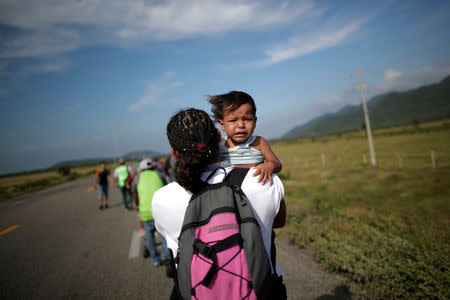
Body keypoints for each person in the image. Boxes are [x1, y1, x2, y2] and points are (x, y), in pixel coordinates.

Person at [152, 108, 287, 298]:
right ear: (218, 135)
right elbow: (279, 222)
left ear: (174, 152)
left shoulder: (162, 199)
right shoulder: (264, 180)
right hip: (262, 291)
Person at [208, 91, 282, 185]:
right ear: (222, 124)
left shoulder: (259, 142)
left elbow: (277, 164)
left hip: (256, 190)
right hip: (229, 194)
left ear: (255, 121)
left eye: (247, 119)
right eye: (233, 120)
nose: (240, 125)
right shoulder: (219, 146)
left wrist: (270, 165)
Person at [132, 158, 170, 267]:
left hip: (145, 212)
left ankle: (155, 259)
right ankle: (167, 256)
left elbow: (134, 193)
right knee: (163, 235)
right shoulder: (159, 174)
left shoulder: (137, 178)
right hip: (160, 211)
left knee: (149, 236)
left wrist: (137, 205)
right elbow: (165, 188)